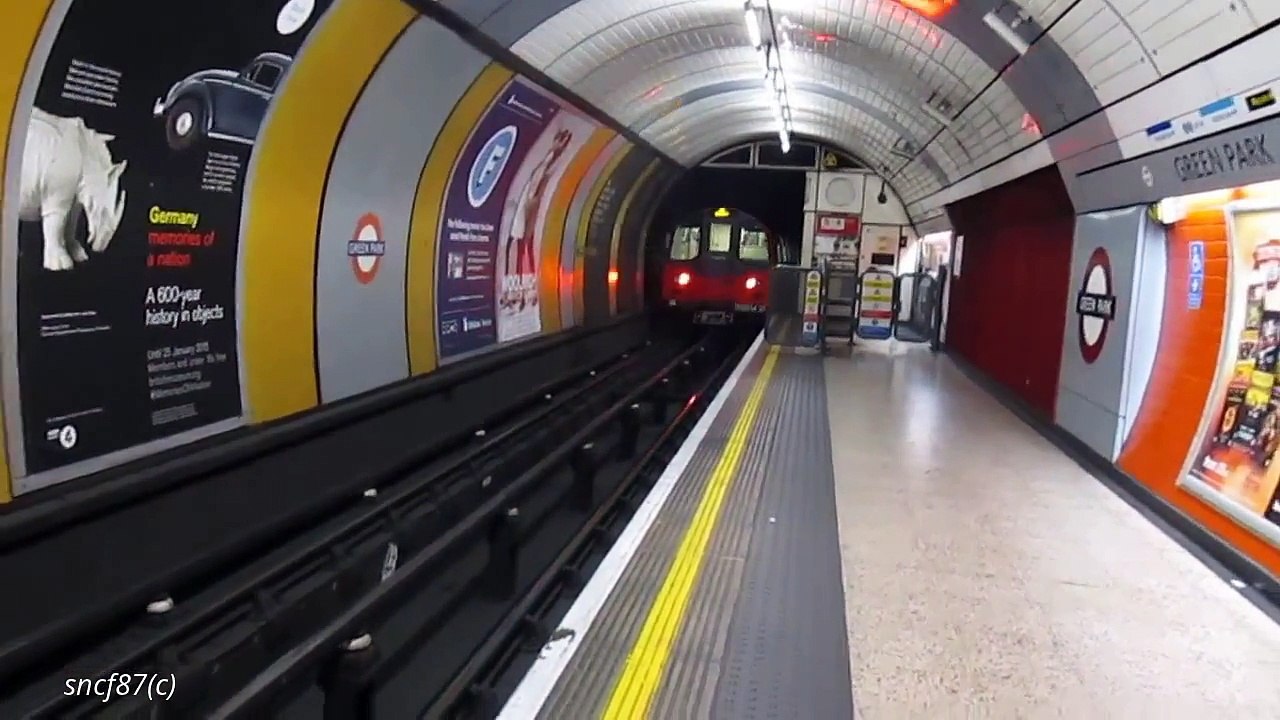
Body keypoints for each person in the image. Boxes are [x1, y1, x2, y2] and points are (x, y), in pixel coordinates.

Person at [502, 128, 573, 311]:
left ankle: (516, 294)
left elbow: (536, 180)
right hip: (528, 211)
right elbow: (537, 180)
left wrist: (553, 152)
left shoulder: (540, 179)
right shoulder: (544, 176)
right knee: (523, 248)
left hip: (527, 211)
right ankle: (522, 292)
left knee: (518, 249)